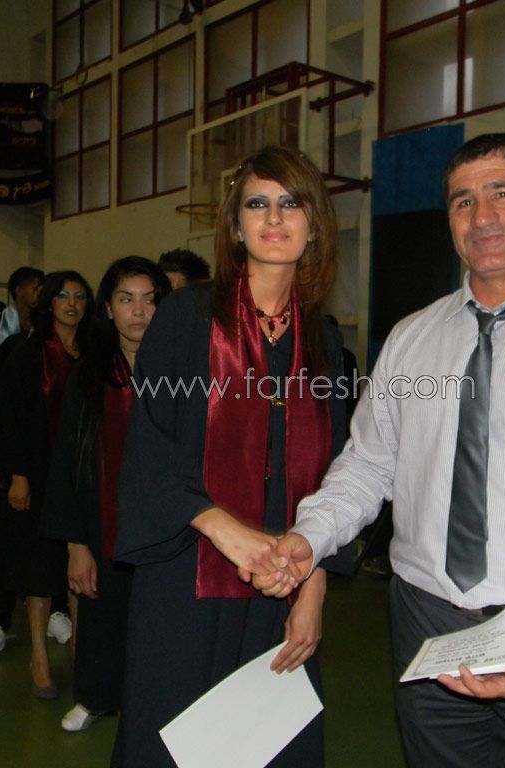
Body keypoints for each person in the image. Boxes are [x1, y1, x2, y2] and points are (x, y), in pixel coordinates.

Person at [252, 133, 505, 768]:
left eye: (504, 193)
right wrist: (311, 536)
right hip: (427, 626)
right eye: (463, 201)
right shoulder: (411, 341)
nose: (483, 217)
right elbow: (368, 464)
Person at [111, 146, 353, 766]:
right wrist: (229, 532)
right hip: (189, 575)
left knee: (272, 747)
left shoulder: (323, 341)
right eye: (257, 203)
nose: (274, 217)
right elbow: (151, 448)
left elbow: (336, 476)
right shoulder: (187, 318)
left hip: (285, 582)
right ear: (236, 226)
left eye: (291, 203)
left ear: (315, 224)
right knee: (175, 745)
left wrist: (313, 594)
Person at [41, 257, 171, 732]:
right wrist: (76, 544)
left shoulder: (183, 371)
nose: (138, 311)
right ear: (109, 309)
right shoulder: (89, 376)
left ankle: (157, 701)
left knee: (162, 621)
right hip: (104, 521)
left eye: (150, 300)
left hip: (167, 524)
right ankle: (95, 697)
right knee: (102, 615)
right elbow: (65, 462)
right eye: (126, 299)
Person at [0, 271, 94, 699]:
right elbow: (10, 416)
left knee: (82, 566)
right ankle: (40, 656)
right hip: (39, 474)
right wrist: (19, 474)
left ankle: (84, 650)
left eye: (80, 296)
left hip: (84, 476)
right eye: (63, 295)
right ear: (49, 303)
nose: (72, 303)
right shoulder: (27, 353)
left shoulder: (96, 352)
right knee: (39, 566)